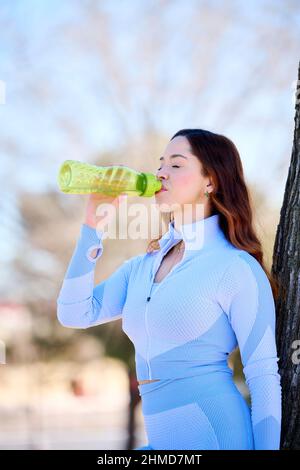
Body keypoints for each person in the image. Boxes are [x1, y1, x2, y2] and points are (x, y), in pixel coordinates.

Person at [57, 128, 282, 450]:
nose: (161, 172)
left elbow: (263, 376)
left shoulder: (234, 267)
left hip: (216, 434)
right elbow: (74, 313)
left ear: (211, 181)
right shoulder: (142, 267)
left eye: (176, 164)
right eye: (160, 163)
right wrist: (93, 228)